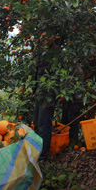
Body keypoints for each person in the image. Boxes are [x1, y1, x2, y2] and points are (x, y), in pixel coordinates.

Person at [32, 31, 60, 162]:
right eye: (42, 36)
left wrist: (53, 94)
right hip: (39, 92)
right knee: (37, 124)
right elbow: (36, 72)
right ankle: (37, 152)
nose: (45, 39)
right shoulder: (39, 53)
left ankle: (43, 156)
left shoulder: (55, 53)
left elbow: (58, 74)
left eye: (47, 36)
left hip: (48, 93)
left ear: (52, 37)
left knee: (45, 125)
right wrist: (34, 90)